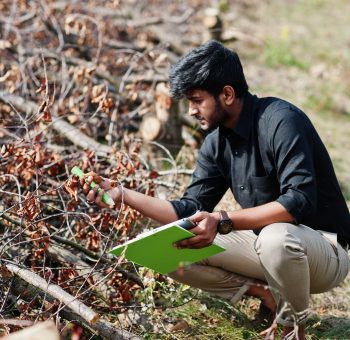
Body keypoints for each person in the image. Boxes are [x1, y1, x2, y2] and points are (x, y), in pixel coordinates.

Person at [80, 40, 350, 339]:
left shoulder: (281, 121)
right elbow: (187, 208)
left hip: (324, 251)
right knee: (161, 245)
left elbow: (298, 202)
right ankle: (265, 295)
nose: (192, 111)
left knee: (276, 237)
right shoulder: (216, 142)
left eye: (197, 100)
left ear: (228, 94)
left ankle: (291, 327)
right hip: (269, 248)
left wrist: (223, 220)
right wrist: (123, 193)